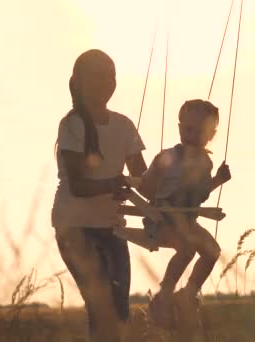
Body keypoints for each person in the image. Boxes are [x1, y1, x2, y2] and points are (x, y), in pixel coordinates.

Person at [51, 49, 148, 341]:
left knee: (119, 311)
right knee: (100, 304)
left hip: (112, 229)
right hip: (74, 228)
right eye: (97, 75)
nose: (106, 81)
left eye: (111, 75)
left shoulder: (125, 124)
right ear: (78, 82)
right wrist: (114, 184)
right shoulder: (72, 125)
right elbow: (79, 186)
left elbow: (144, 179)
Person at [137, 99, 231, 329]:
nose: (192, 135)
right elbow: (145, 185)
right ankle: (164, 295)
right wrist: (146, 185)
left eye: (200, 131)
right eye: (188, 129)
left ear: (211, 135)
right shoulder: (167, 157)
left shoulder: (205, 162)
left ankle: (188, 293)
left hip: (187, 220)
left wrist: (217, 180)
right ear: (179, 128)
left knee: (212, 251)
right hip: (161, 220)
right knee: (187, 248)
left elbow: (200, 195)